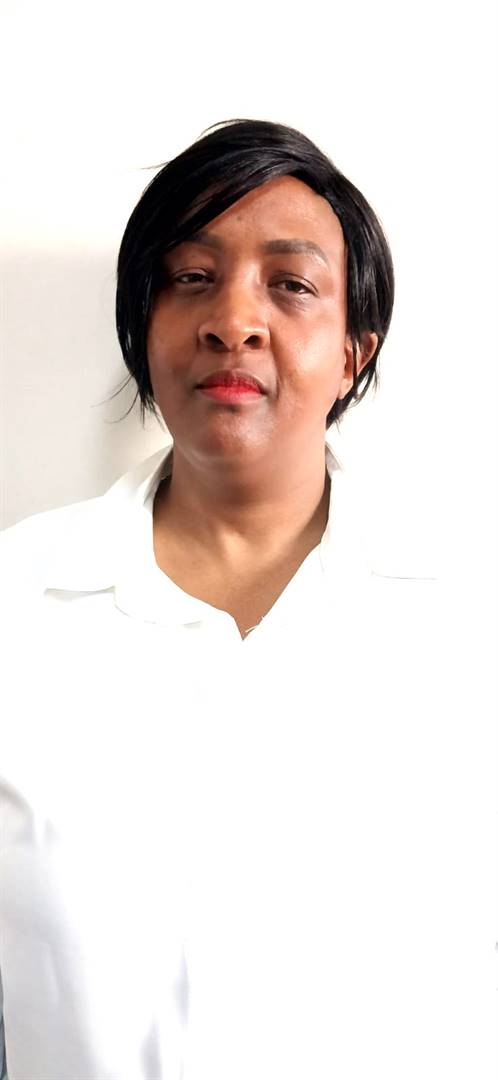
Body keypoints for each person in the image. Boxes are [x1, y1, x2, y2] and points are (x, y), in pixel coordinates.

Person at [0, 119, 442, 1079]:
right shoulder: (16, 604)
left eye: (291, 284)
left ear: (355, 351)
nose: (232, 320)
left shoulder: (462, 617)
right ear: (142, 328)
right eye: (191, 277)